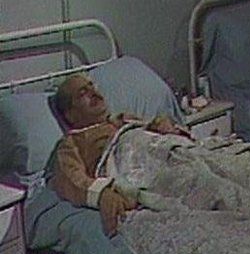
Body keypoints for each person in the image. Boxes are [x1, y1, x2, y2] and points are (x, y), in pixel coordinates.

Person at [50, 73, 189, 236]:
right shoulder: (72, 142)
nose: (93, 93)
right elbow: (70, 178)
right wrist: (101, 194)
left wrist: (163, 127)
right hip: (136, 168)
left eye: (92, 87)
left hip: (169, 154)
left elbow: (152, 138)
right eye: (82, 94)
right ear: (71, 115)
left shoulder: (123, 119)